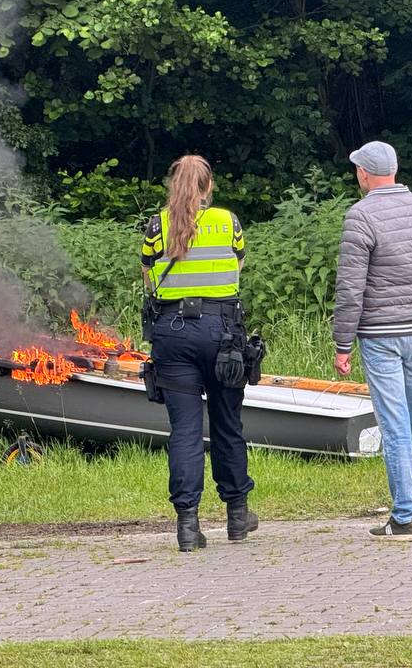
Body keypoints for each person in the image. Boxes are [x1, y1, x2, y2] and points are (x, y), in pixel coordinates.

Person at [333, 141, 412, 541]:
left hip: (380, 336)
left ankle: (405, 517)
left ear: (364, 174)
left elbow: (351, 288)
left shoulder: (360, 215)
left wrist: (343, 343)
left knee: (396, 427)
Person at [141, 154, 256, 551]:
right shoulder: (228, 223)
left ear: (174, 185)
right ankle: (238, 515)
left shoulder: (157, 226)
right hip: (222, 332)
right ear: (208, 186)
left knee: (185, 432)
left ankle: (188, 524)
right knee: (227, 423)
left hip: (172, 335)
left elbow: (147, 277)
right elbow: (239, 268)